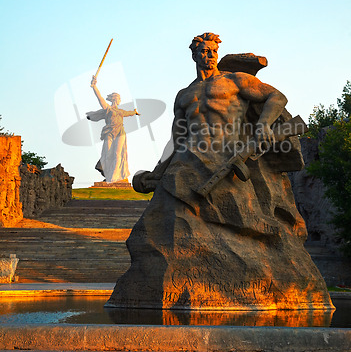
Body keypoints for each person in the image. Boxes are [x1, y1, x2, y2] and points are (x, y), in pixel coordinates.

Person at [106, 33, 333, 314]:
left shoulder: (235, 81)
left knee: (240, 213)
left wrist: (262, 126)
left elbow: (277, 96)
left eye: (213, 50)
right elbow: (177, 138)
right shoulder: (184, 95)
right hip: (188, 158)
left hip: (227, 154)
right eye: (203, 51)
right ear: (194, 54)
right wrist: (157, 171)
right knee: (154, 225)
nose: (209, 55)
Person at [86, 75, 139, 183]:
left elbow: (130, 113)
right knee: (107, 154)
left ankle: (114, 178)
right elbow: (100, 99)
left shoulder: (121, 111)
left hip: (120, 133)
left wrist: (134, 112)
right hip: (109, 133)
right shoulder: (108, 109)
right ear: (116, 99)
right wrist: (94, 87)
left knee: (117, 153)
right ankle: (109, 176)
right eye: (119, 98)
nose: (120, 100)